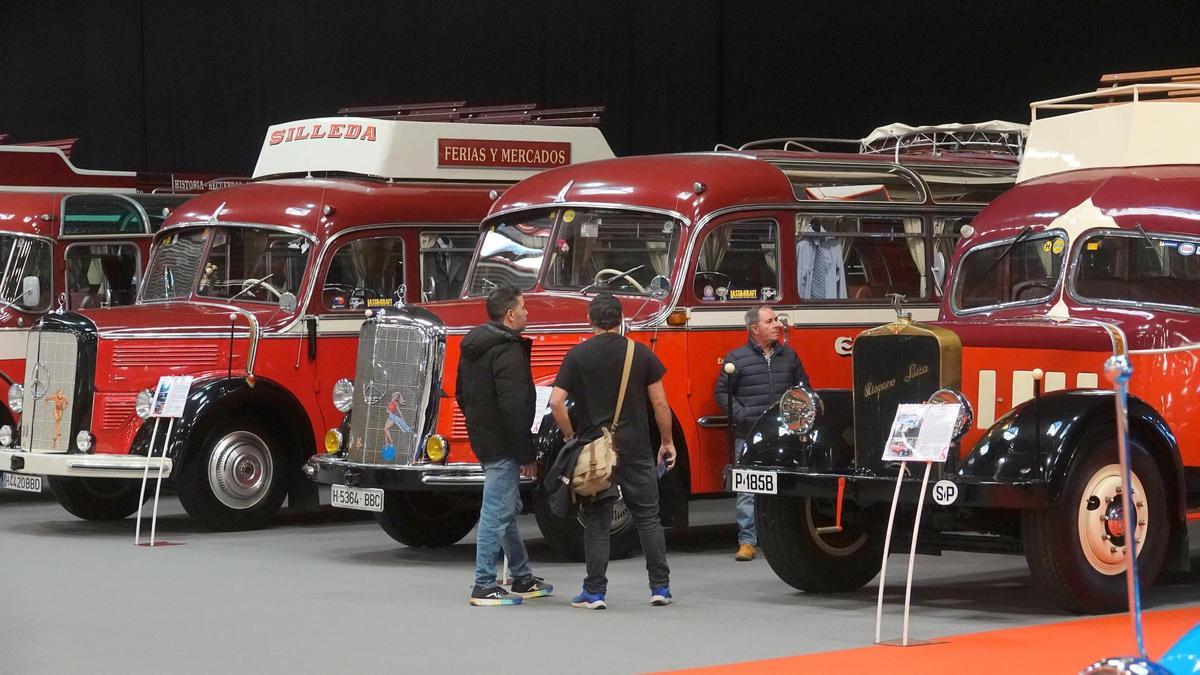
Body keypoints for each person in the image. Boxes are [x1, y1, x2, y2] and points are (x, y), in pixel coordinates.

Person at [548, 293, 676, 610]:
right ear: (621, 319)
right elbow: (661, 404)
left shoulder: (577, 355)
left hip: (595, 450)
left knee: (597, 520)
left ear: (590, 320)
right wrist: (667, 441)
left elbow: (556, 402)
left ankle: (594, 592)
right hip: (636, 448)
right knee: (648, 518)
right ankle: (660, 588)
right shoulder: (640, 353)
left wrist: (570, 436)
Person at [456, 285, 553, 606]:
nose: (527, 313)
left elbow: (462, 394)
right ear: (510, 315)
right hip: (504, 444)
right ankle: (484, 584)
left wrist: (480, 424)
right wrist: (527, 453)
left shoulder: (473, 346)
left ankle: (522, 577)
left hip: (484, 439)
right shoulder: (508, 350)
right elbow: (516, 406)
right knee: (496, 511)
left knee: (505, 508)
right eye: (523, 308)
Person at [715, 305, 808, 561]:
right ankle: (747, 542)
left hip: (784, 436)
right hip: (749, 435)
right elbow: (721, 393)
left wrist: (794, 418)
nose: (778, 324)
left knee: (787, 487)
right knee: (747, 490)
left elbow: (803, 389)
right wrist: (743, 416)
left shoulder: (790, 356)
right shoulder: (736, 358)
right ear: (754, 328)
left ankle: (786, 542)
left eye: (776, 319)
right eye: (770, 321)